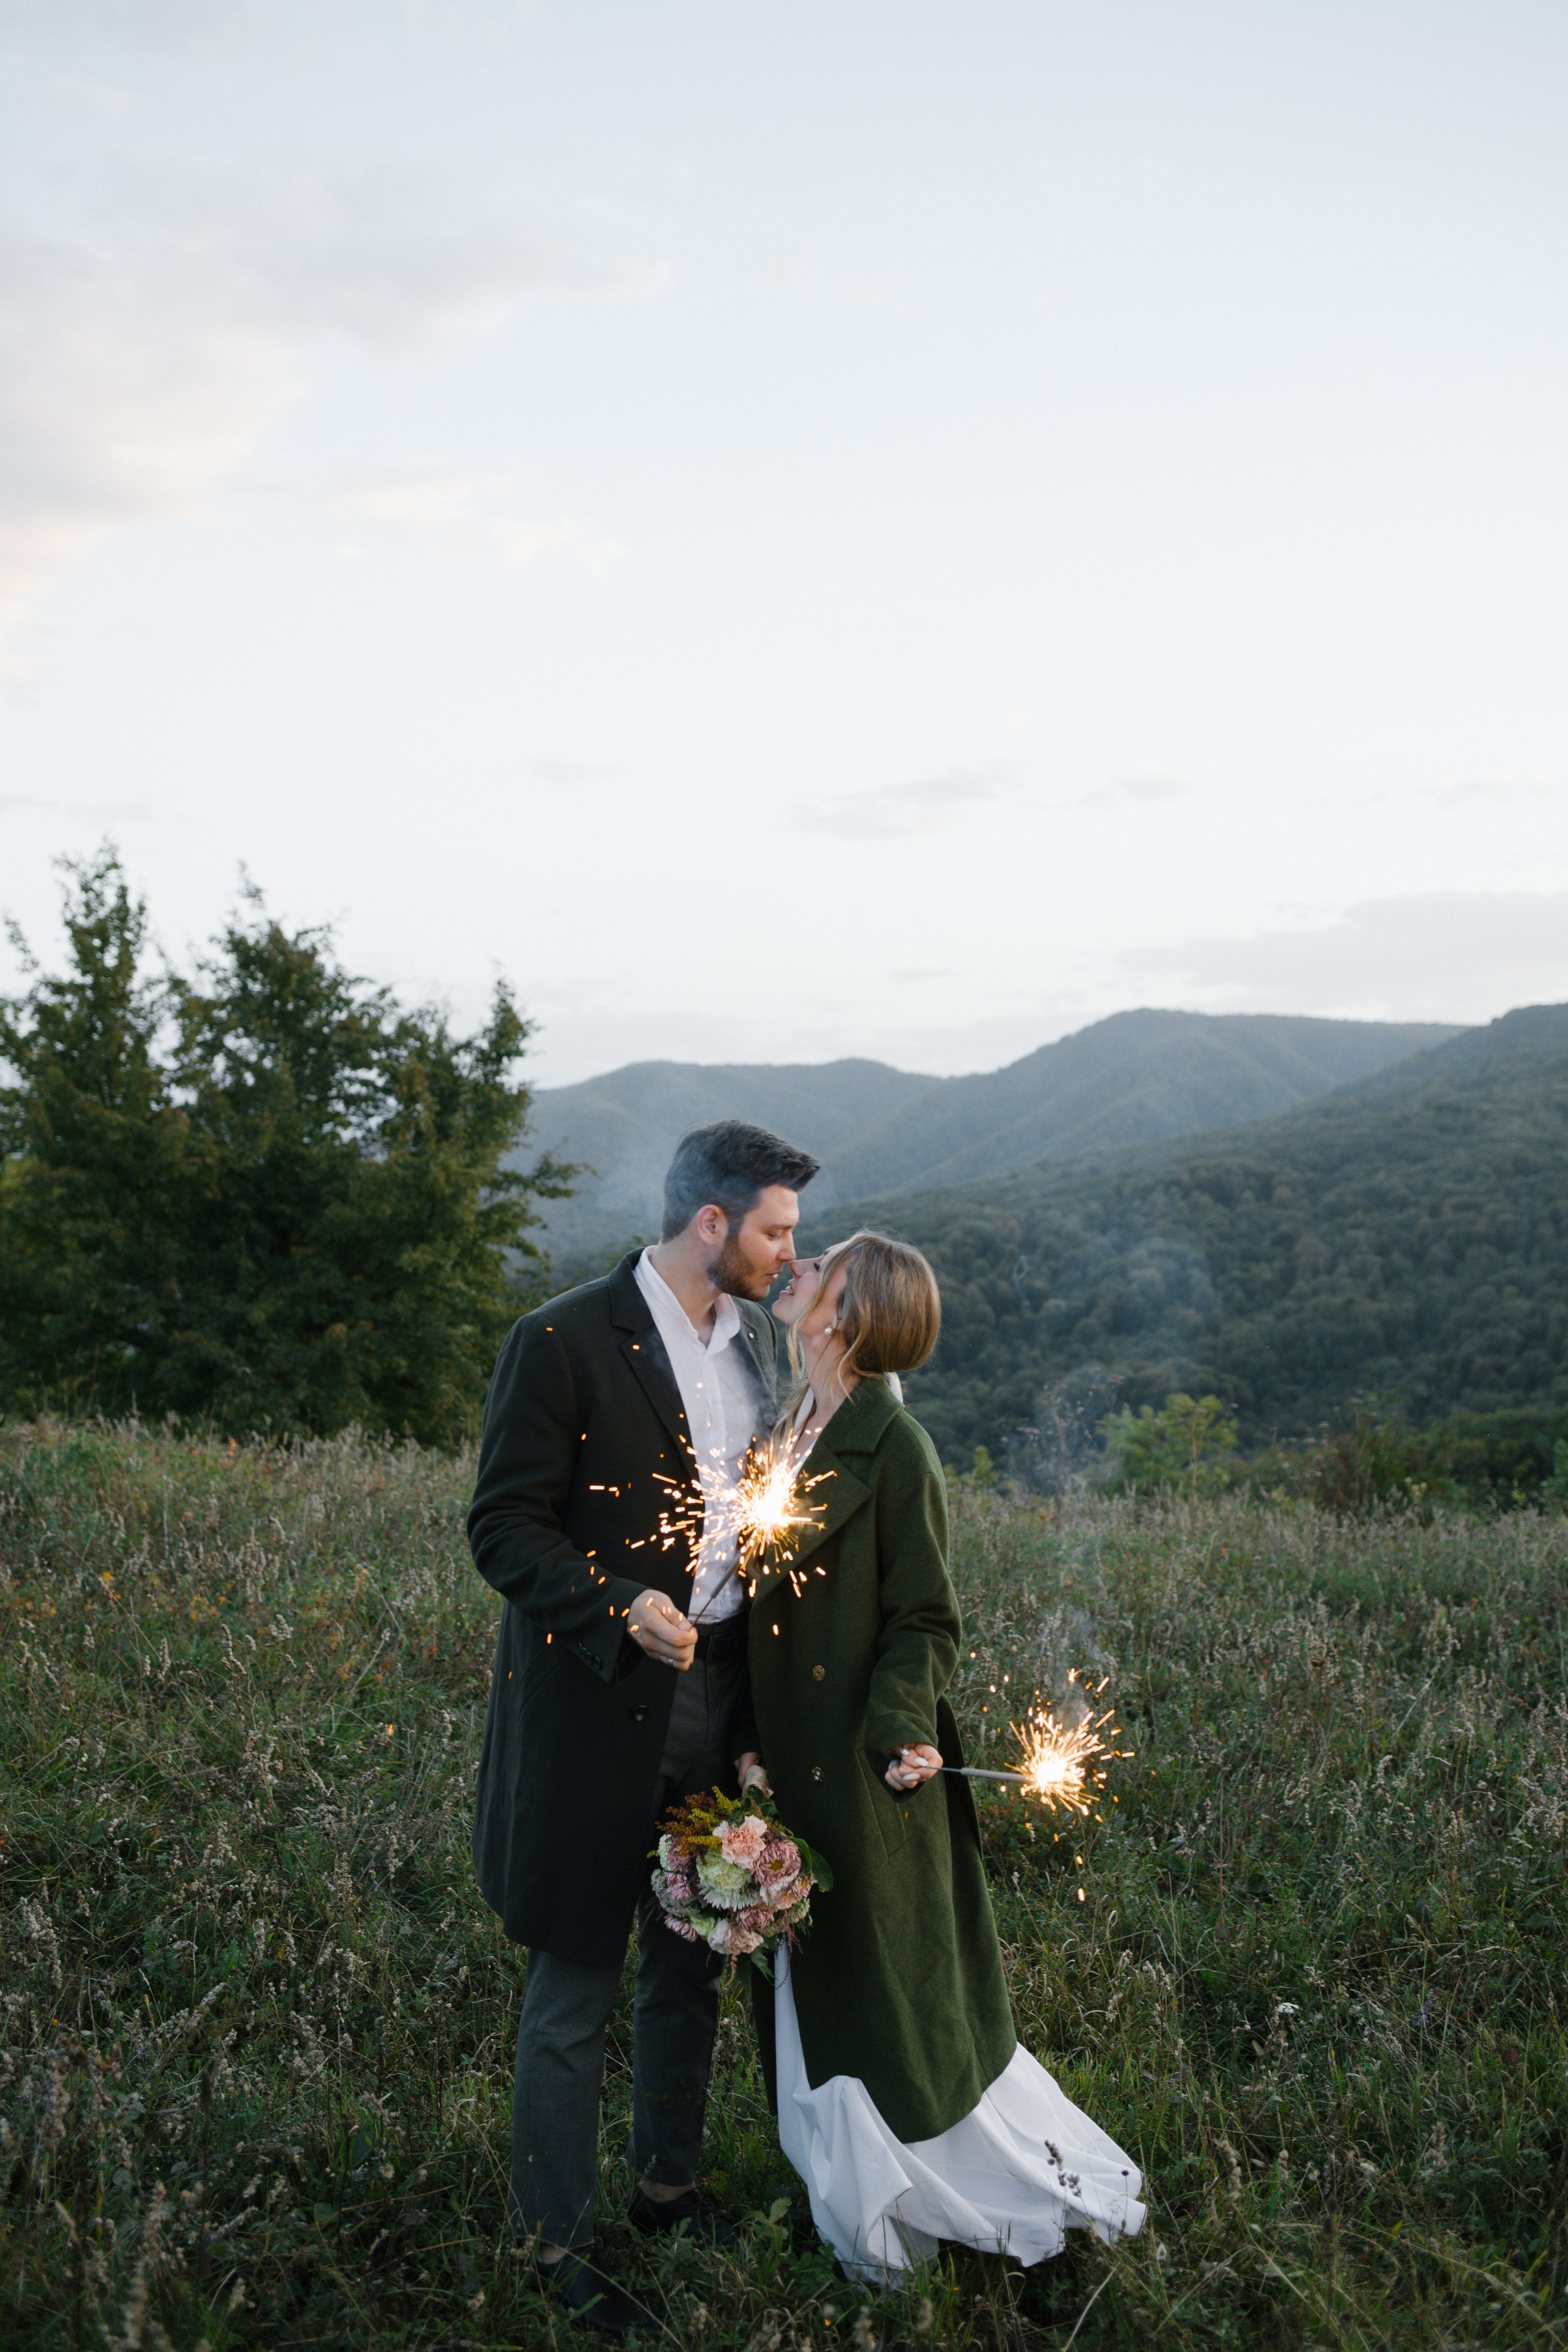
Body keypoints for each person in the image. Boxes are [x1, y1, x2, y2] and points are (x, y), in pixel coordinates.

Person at [467, 1119, 819, 2336]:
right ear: (710, 1224)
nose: (790, 1252)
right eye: (776, 1228)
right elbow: (502, 1529)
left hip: (719, 1699)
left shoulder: (760, 1356)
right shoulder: (559, 1339)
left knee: (692, 1952)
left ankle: (667, 2184)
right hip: (596, 1701)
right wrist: (616, 1604)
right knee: (573, 1979)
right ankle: (555, 2242)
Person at [747, 1231, 1147, 2279]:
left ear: (847, 1313)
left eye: (819, 1270)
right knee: (807, 1975)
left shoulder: (898, 1451)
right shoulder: (784, 1427)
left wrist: (898, 1729)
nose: (799, 1273)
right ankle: (843, 2196)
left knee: (877, 1989)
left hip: (866, 1764)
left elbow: (925, 1617)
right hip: (777, 1751)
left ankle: (922, 2203)